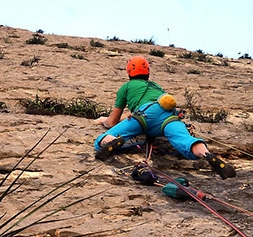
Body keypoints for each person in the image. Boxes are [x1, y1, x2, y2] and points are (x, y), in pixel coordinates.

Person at [93, 55, 236, 179]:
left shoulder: (127, 86)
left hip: (143, 115)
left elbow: (112, 122)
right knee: (186, 140)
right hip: (168, 116)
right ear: (147, 71)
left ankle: (113, 140)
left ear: (129, 71)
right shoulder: (156, 87)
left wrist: (103, 120)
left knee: (103, 138)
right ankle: (206, 154)